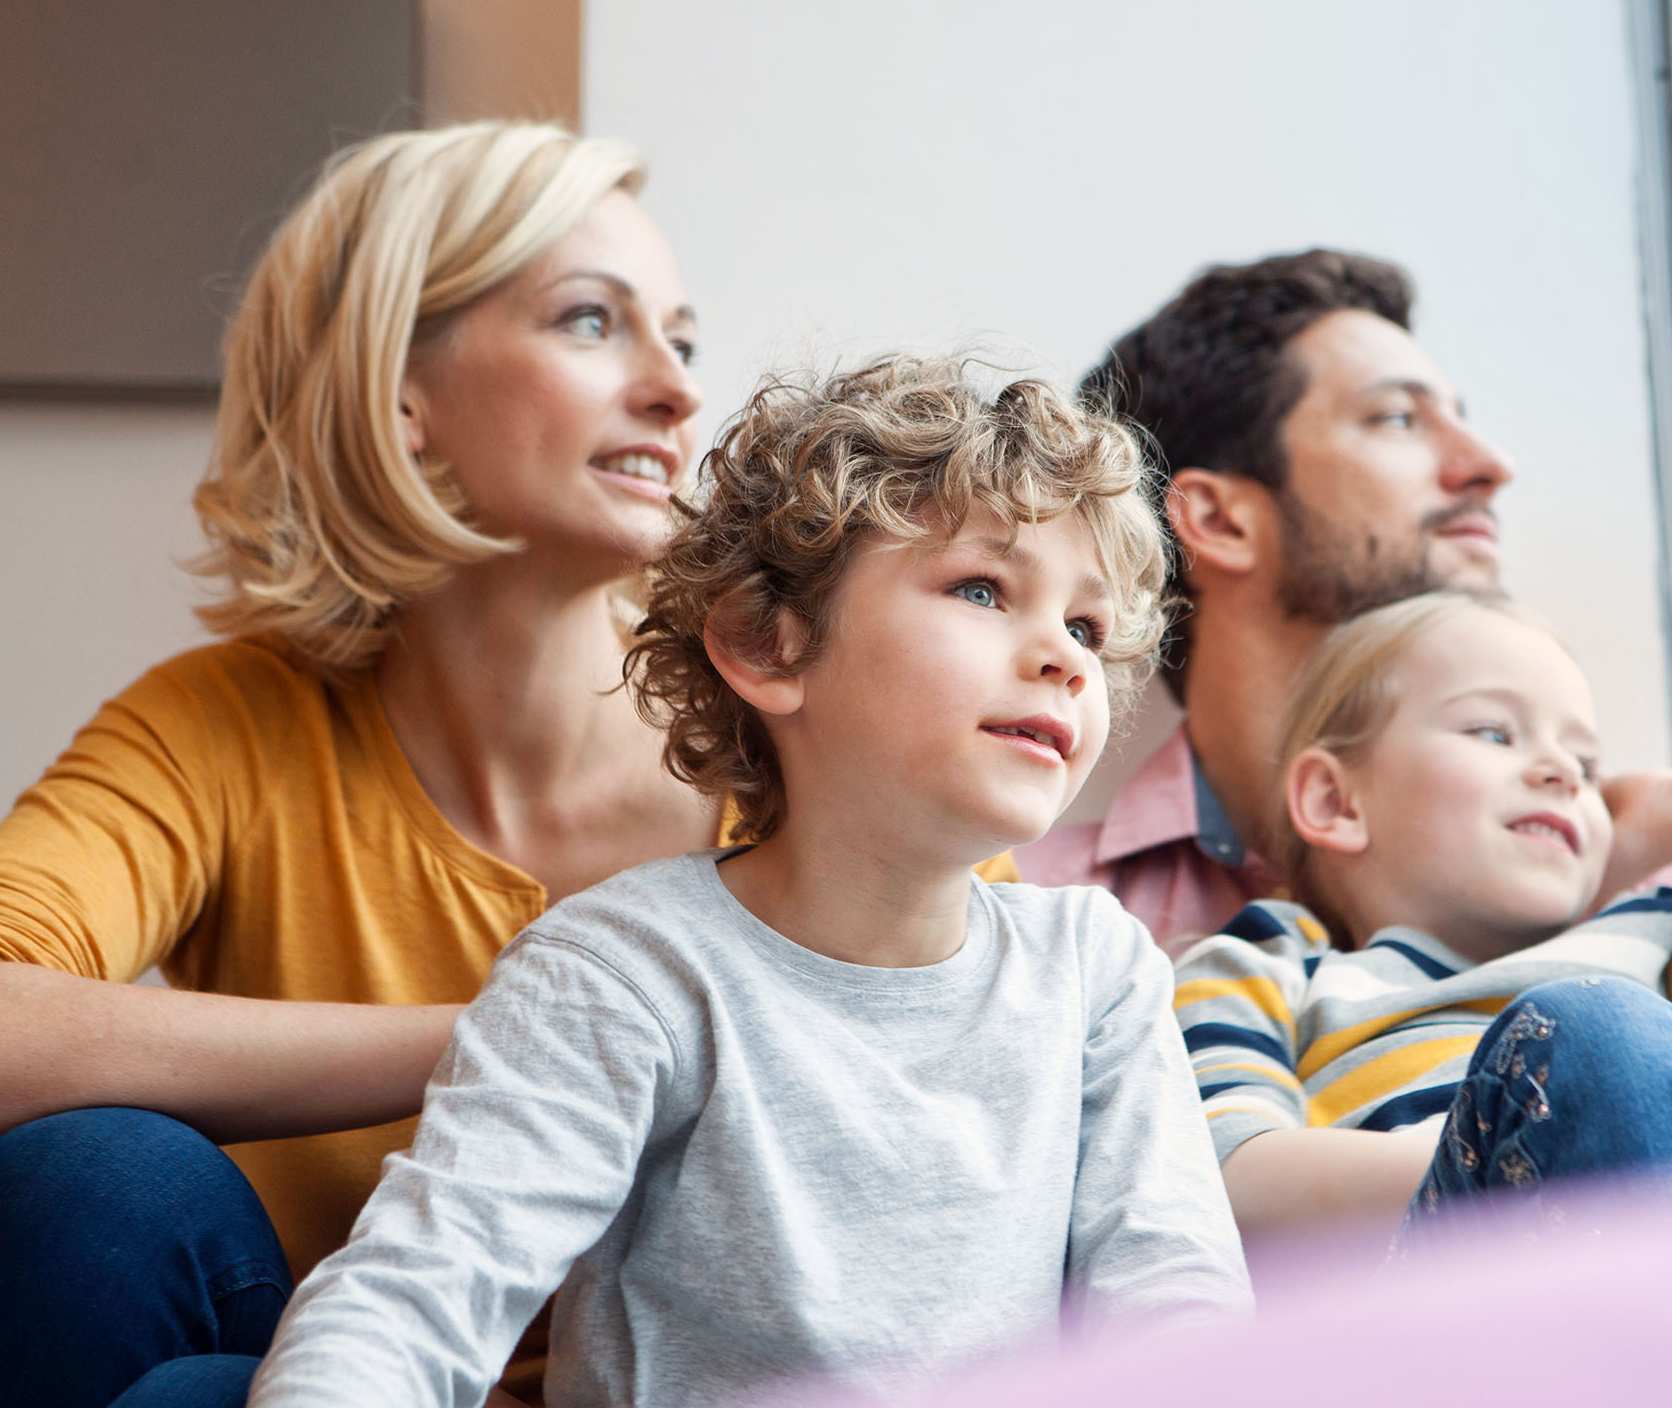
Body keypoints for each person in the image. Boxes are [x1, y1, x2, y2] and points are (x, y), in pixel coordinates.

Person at [0, 122, 1012, 1407]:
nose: (674, 392)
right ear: (401, 396)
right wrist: (535, 1038)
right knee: (92, 1187)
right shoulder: (227, 728)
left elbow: (989, 1107)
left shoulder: (827, 739)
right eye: (591, 323)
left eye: (684, 338)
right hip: (327, 1375)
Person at [244, 356, 1252, 1408]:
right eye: (982, 589)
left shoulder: (1096, 971)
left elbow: (1179, 1313)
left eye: (1088, 627)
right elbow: (415, 1300)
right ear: (766, 646)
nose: (1065, 657)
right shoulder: (624, 972)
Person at [1012, 246, 1672, 1200]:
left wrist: (1662, 826)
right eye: (1398, 417)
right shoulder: (1025, 919)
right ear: (1218, 518)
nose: (1488, 465)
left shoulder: (1667, 894)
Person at [1175, 593, 1672, 1244]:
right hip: (1423, 1325)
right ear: (1336, 801)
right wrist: (1547, 1153)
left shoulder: (1665, 958)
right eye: (1493, 733)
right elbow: (1224, 1184)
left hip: (1661, 1318)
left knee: (1616, 1026)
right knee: (1600, 1030)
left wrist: (1653, 816)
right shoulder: (1263, 966)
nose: (1558, 773)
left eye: (1587, 768)